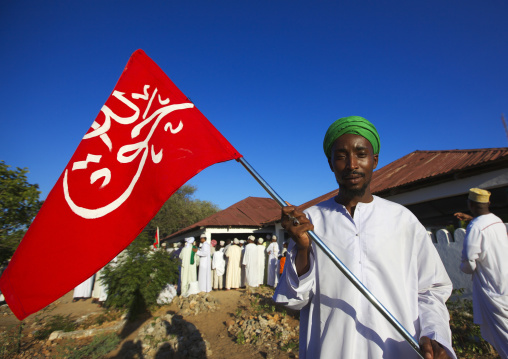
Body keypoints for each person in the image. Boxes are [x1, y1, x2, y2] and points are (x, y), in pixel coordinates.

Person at [274, 116, 456, 358]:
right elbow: (294, 300)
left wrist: (434, 334)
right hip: (330, 349)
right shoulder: (310, 220)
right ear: (330, 164)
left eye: (361, 154)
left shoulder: (403, 219)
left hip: (397, 349)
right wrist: (304, 248)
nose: (351, 164)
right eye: (340, 156)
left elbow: (431, 289)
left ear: (375, 160)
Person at [455, 188, 508, 358]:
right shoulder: (497, 221)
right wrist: (471, 219)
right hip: (505, 283)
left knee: (503, 335)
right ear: (488, 203)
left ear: (470, 204)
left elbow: (469, 260)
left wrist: (464, 269)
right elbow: (486, 229)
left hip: (491, 287)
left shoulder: (476, 227)